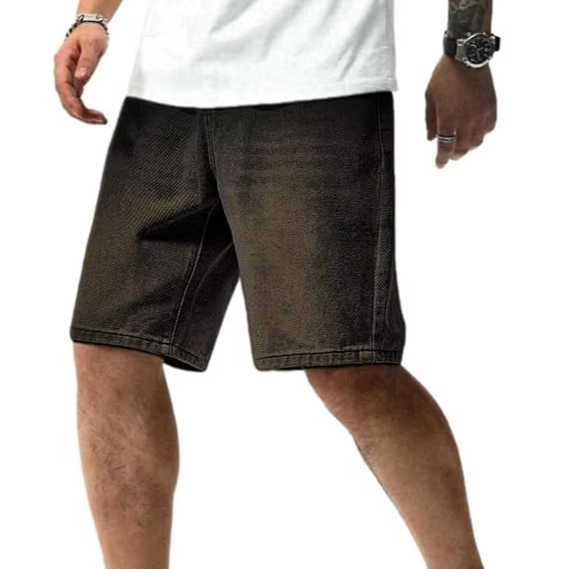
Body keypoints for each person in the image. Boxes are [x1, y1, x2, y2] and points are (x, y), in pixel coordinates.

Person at [53, 1, 499, 568]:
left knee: (350, 368)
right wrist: (93, 19)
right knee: (109, 348)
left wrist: (467, 55)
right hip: (167, 90)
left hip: (317, 80)